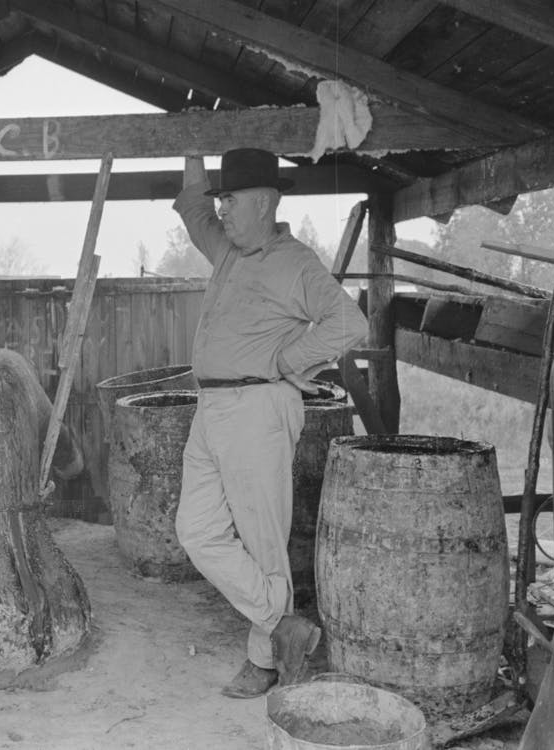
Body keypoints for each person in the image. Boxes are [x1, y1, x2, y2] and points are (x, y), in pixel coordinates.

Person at [172, 148, 368, 698]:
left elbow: (350, 321)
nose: (222, 209)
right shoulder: (229, 249)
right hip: (212, 410)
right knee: (197, 529)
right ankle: (284, 624)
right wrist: (191, 145)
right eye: (222, 199)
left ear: (263, 201)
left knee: (263, 538)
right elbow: (193, 209)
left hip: (258, 407)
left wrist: (290, 360)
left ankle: (263, 660)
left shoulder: (294, 261)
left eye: (230, 199)